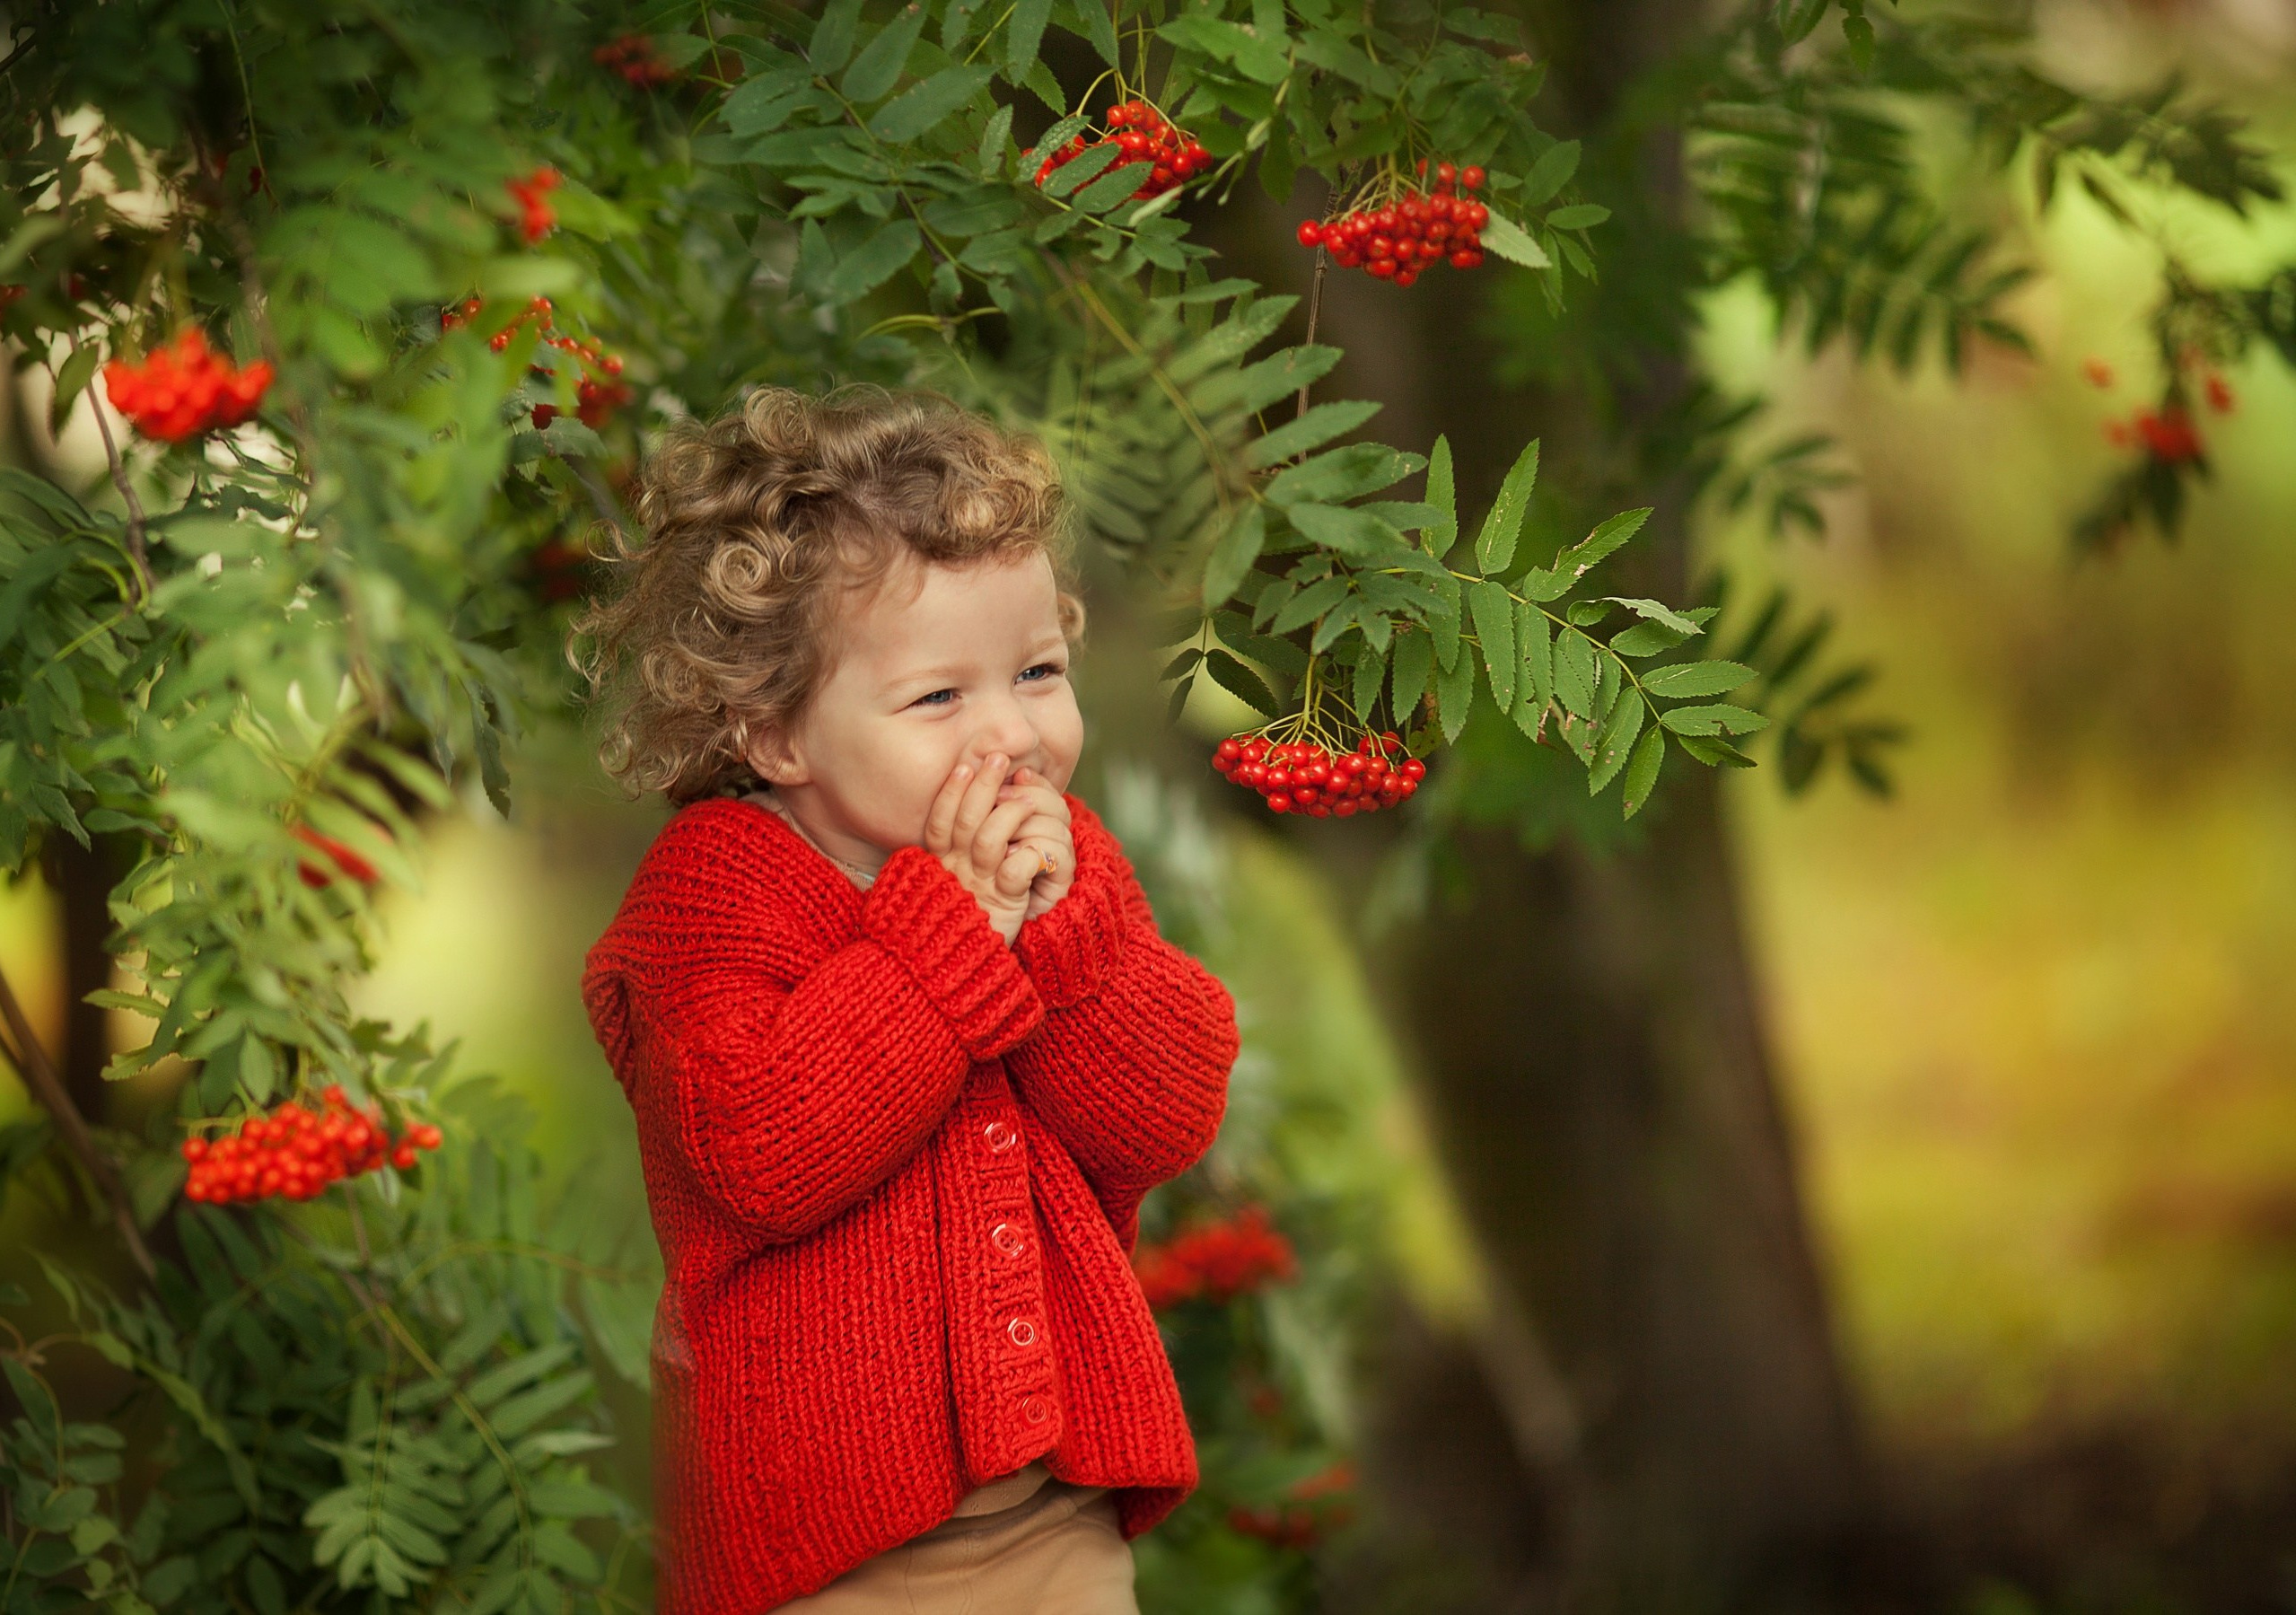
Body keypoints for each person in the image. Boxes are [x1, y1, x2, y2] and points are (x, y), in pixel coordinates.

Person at [572, 385, 1240, 1614]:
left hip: (1056, 1516)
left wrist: (1061, 935)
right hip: (826, 1546)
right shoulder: (715, 895)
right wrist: (960, 928)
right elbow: (759, 1148)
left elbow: (1161, 1119)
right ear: (774, 733)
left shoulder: (1061, 864)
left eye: (1036, 671)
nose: (1011, 735)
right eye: (939, 698)